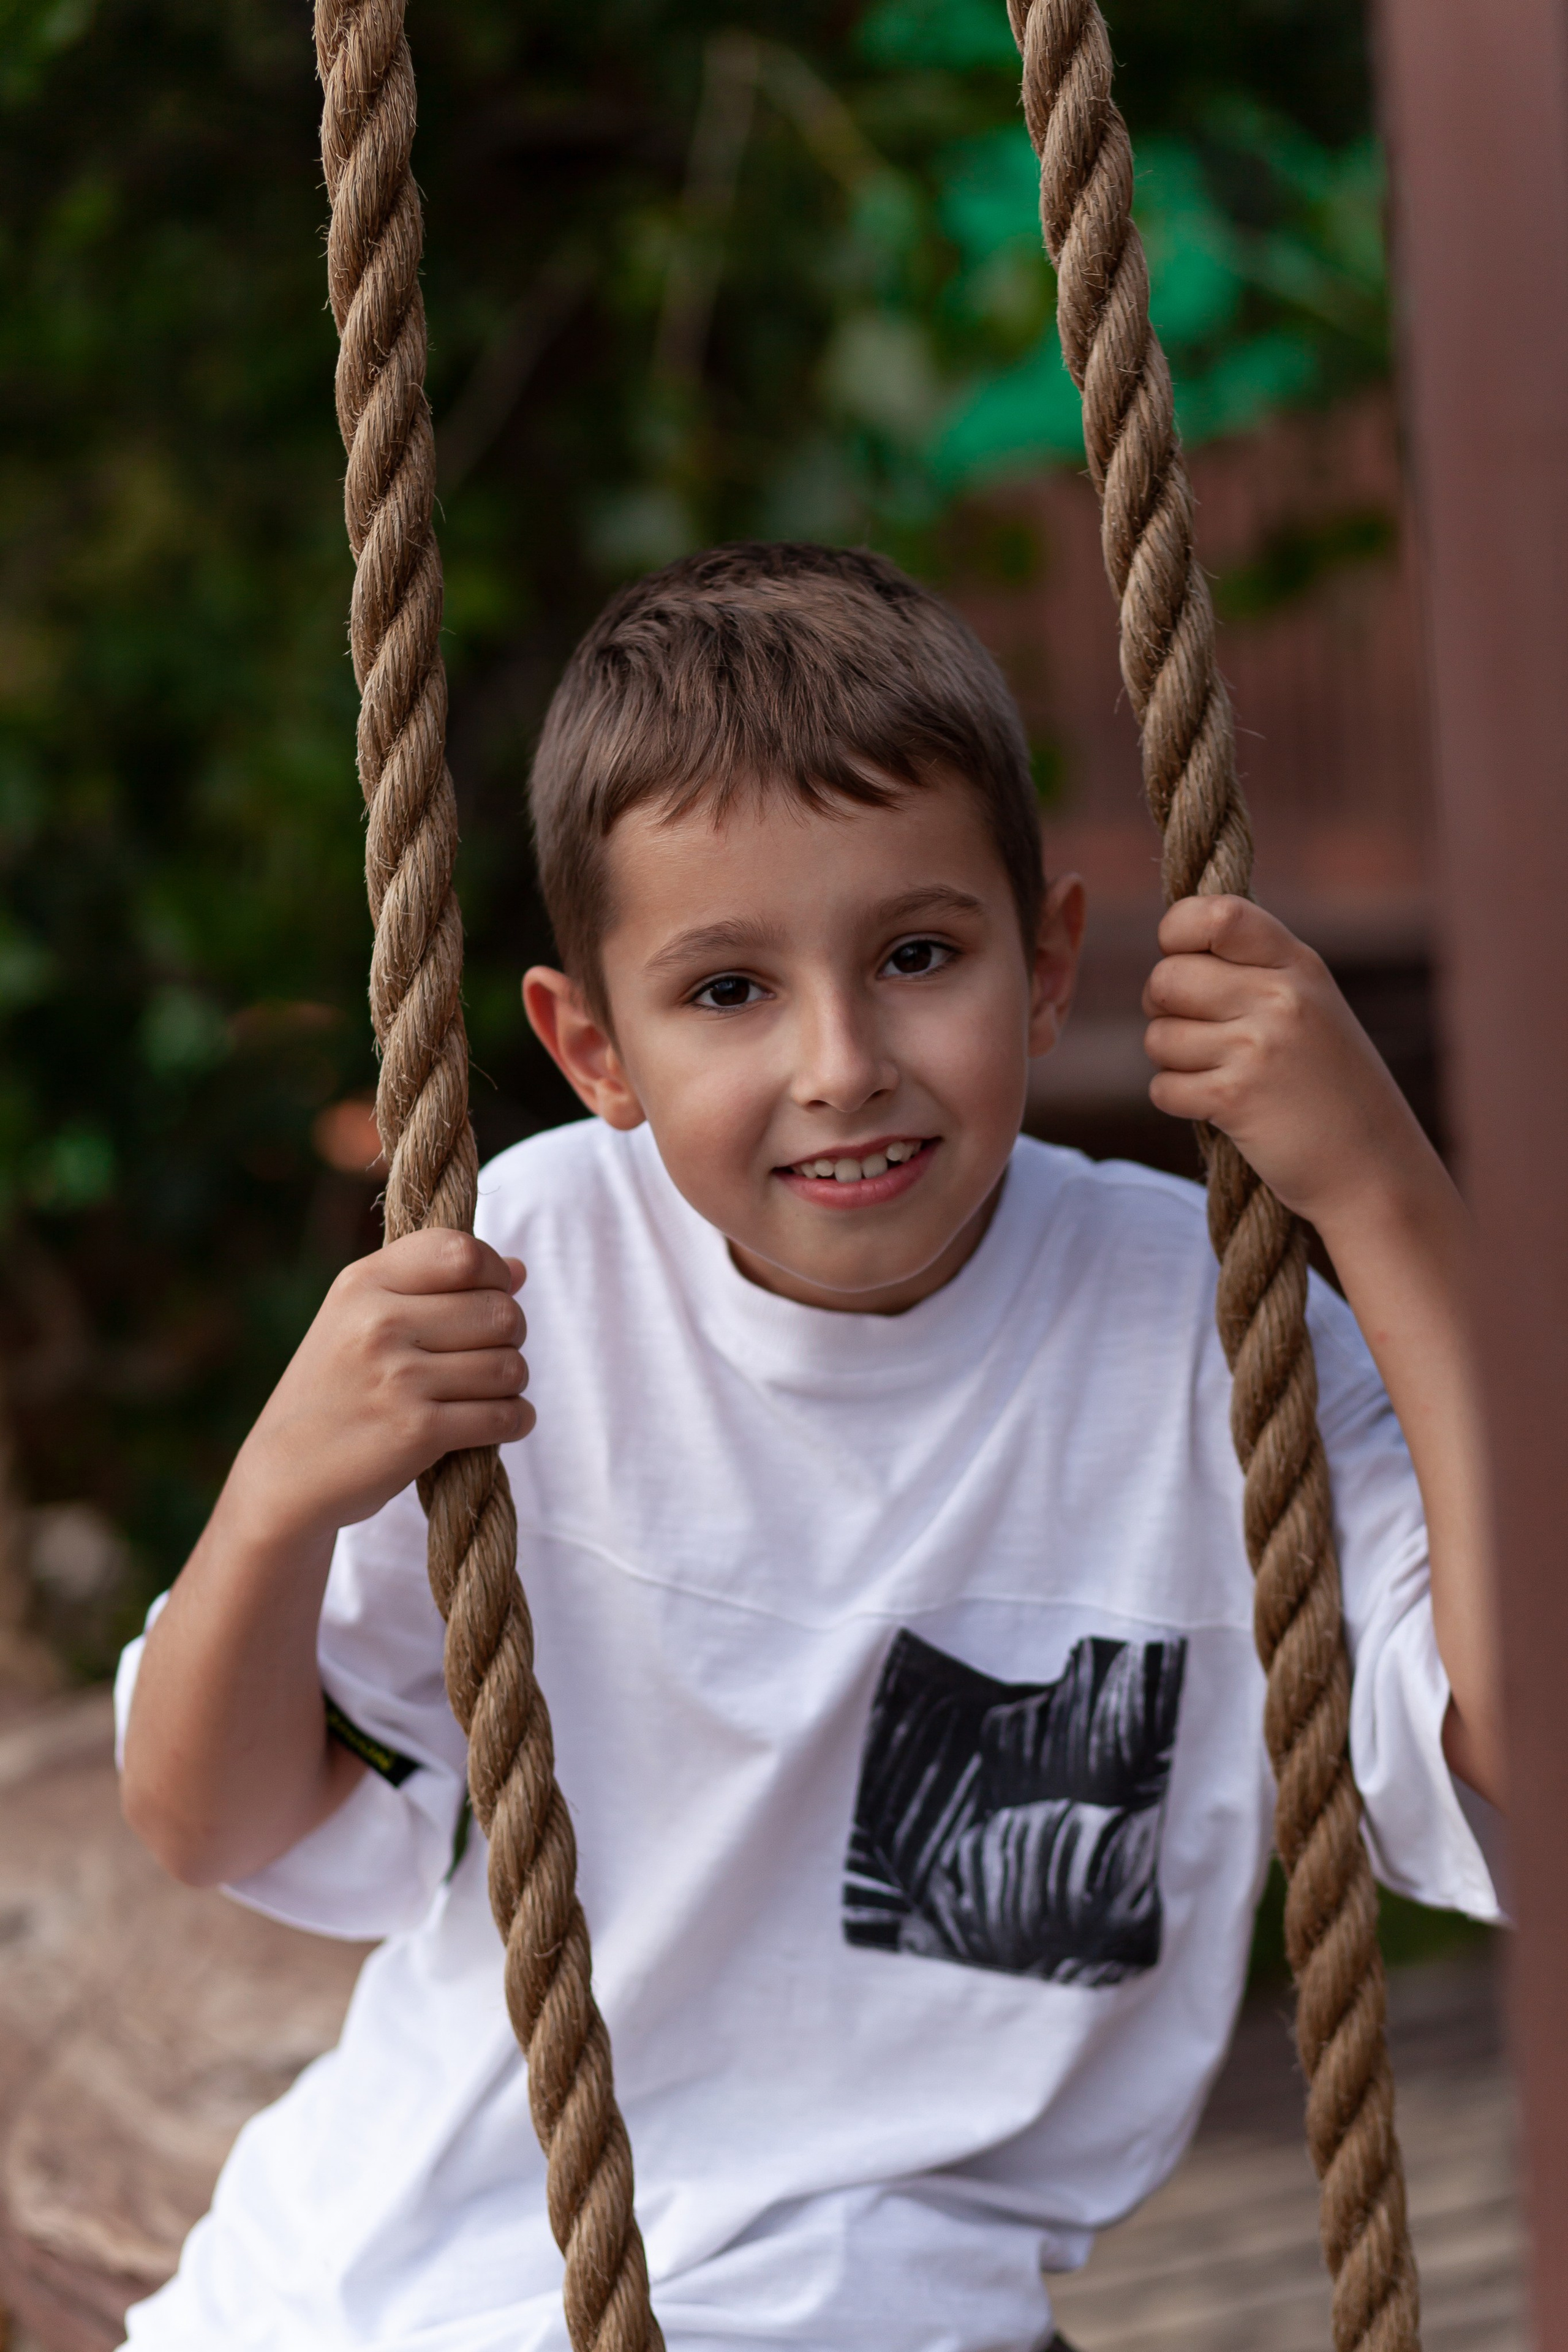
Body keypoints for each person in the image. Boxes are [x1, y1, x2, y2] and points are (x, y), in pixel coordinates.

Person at [117, 542, 1503, 2352]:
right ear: (593, 1050)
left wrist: (1388, 1199)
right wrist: (276, 1498)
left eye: (918, 956)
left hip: (880, 2305)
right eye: (727, 991)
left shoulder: (1210, 1341)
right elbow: (212, 1821)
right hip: (381, 2287)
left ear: (1046, 964)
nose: (843, 1062)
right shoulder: (534, 1278)